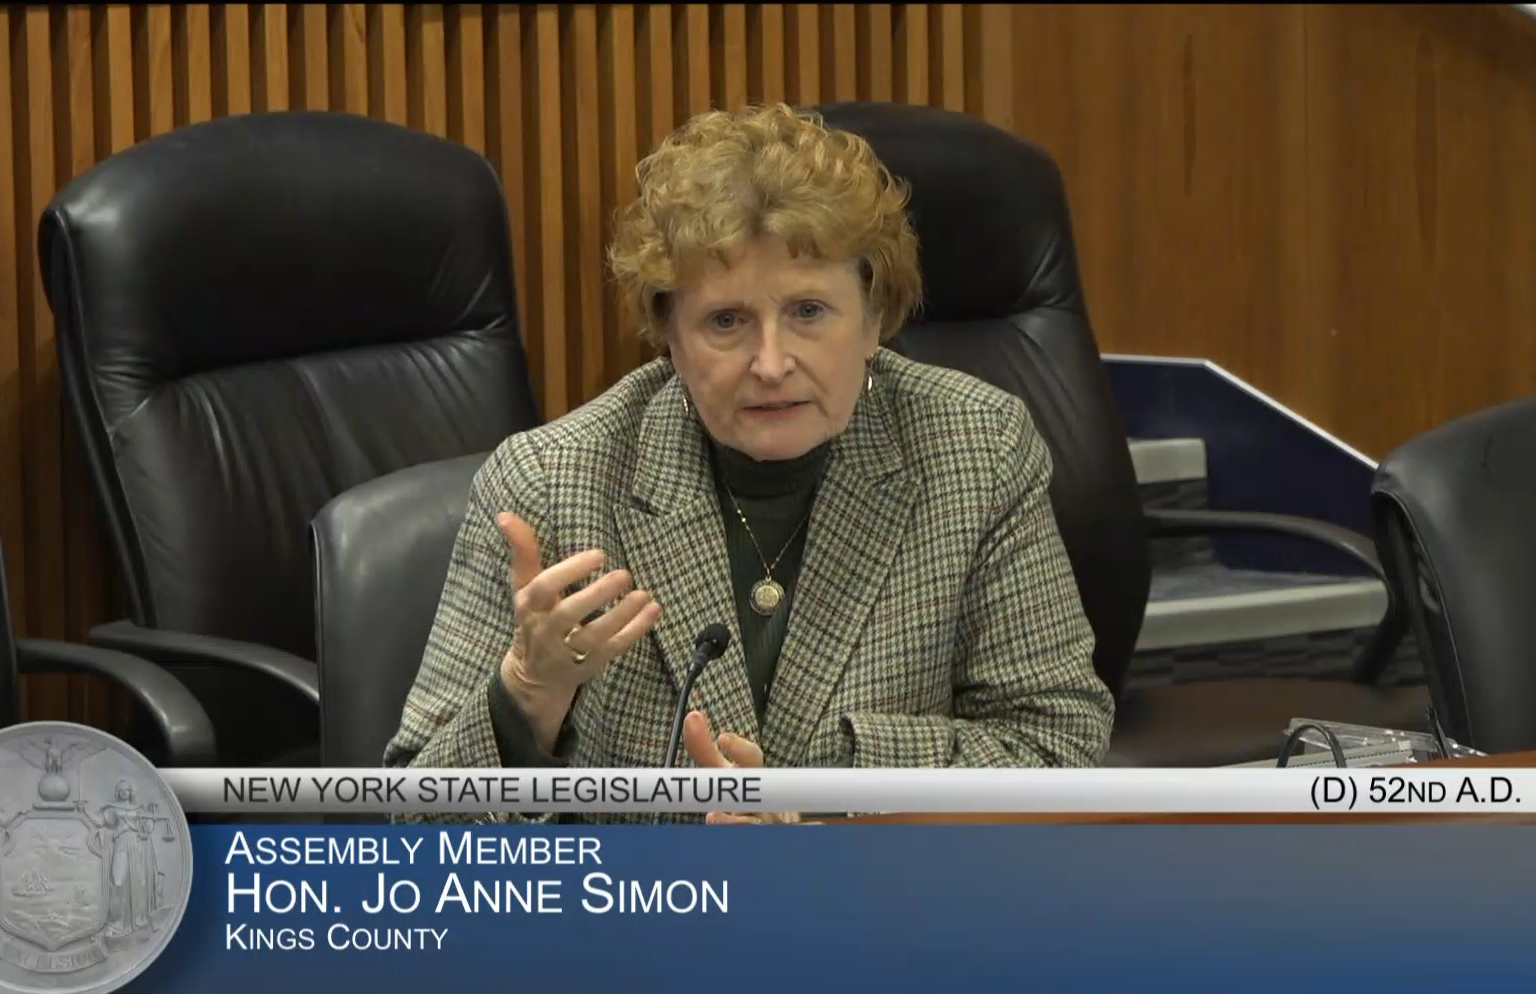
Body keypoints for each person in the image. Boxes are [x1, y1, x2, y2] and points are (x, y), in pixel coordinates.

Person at [385, 103, 1113, 824]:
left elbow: (1056, 747)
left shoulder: (975, 450)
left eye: (808, 312)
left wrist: (825, 800)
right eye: (726, 321)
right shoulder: (552, 483)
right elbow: (417, 830)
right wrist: (526, 697)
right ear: (669, 337)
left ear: (873, 319)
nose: (770, 364)